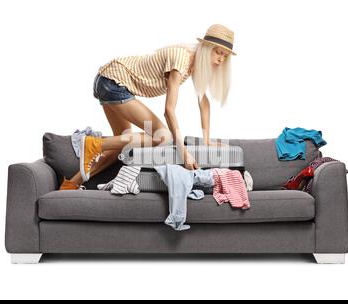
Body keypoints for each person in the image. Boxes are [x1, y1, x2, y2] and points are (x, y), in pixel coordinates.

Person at [60, 24, 236, 190]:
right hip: (115, 82)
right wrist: (184, 154)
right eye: (217, 52)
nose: (220, 59)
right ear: (205, 48)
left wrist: (207, 139)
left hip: (108, 80)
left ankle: (70, 184)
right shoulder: (181, 60)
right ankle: (93, 144)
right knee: (163, 136)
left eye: (224, 55)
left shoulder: (195, 66)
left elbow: (203, 102)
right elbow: (169, 111)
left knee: (120, 144)